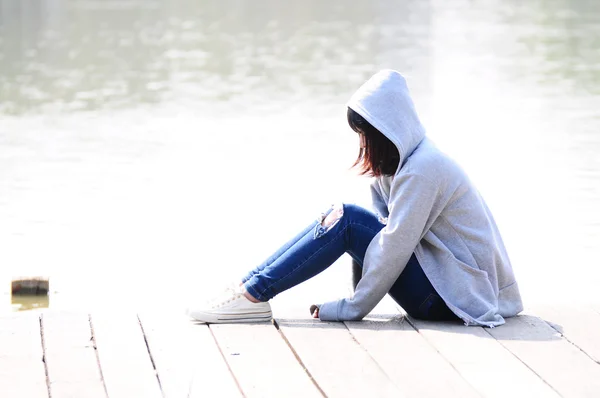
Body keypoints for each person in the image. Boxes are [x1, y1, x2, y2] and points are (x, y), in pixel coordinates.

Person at [187, 70, 523, 327]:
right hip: (445, 290)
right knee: (340, 216)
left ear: (388, 129)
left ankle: (253, 295)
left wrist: (349, 308)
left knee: (346, 219)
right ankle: (247, 289)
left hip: (458, 301)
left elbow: (391, 250)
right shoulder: (400, 166)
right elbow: (379, 235)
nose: (362, 143)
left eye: (365, 134)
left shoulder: (424, 169)